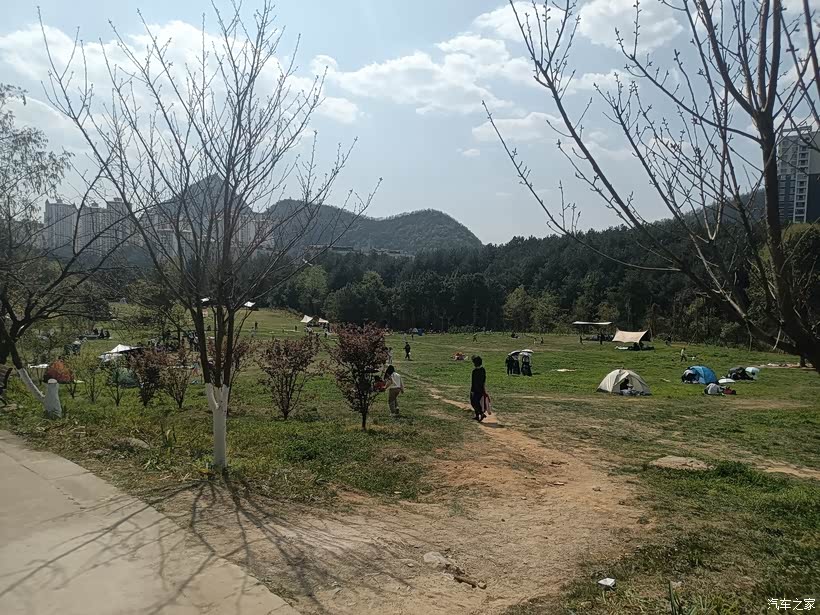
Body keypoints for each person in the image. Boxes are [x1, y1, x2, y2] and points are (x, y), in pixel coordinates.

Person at [470, 356, 487, 422]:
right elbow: (484, 380)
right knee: (476, 402)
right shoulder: (483, 370)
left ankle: (481, 413)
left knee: (474, 402)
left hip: (475, 389)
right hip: (481, 389)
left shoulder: (474, 371)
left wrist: (472, 390)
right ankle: (477, 415)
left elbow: (473, 382)